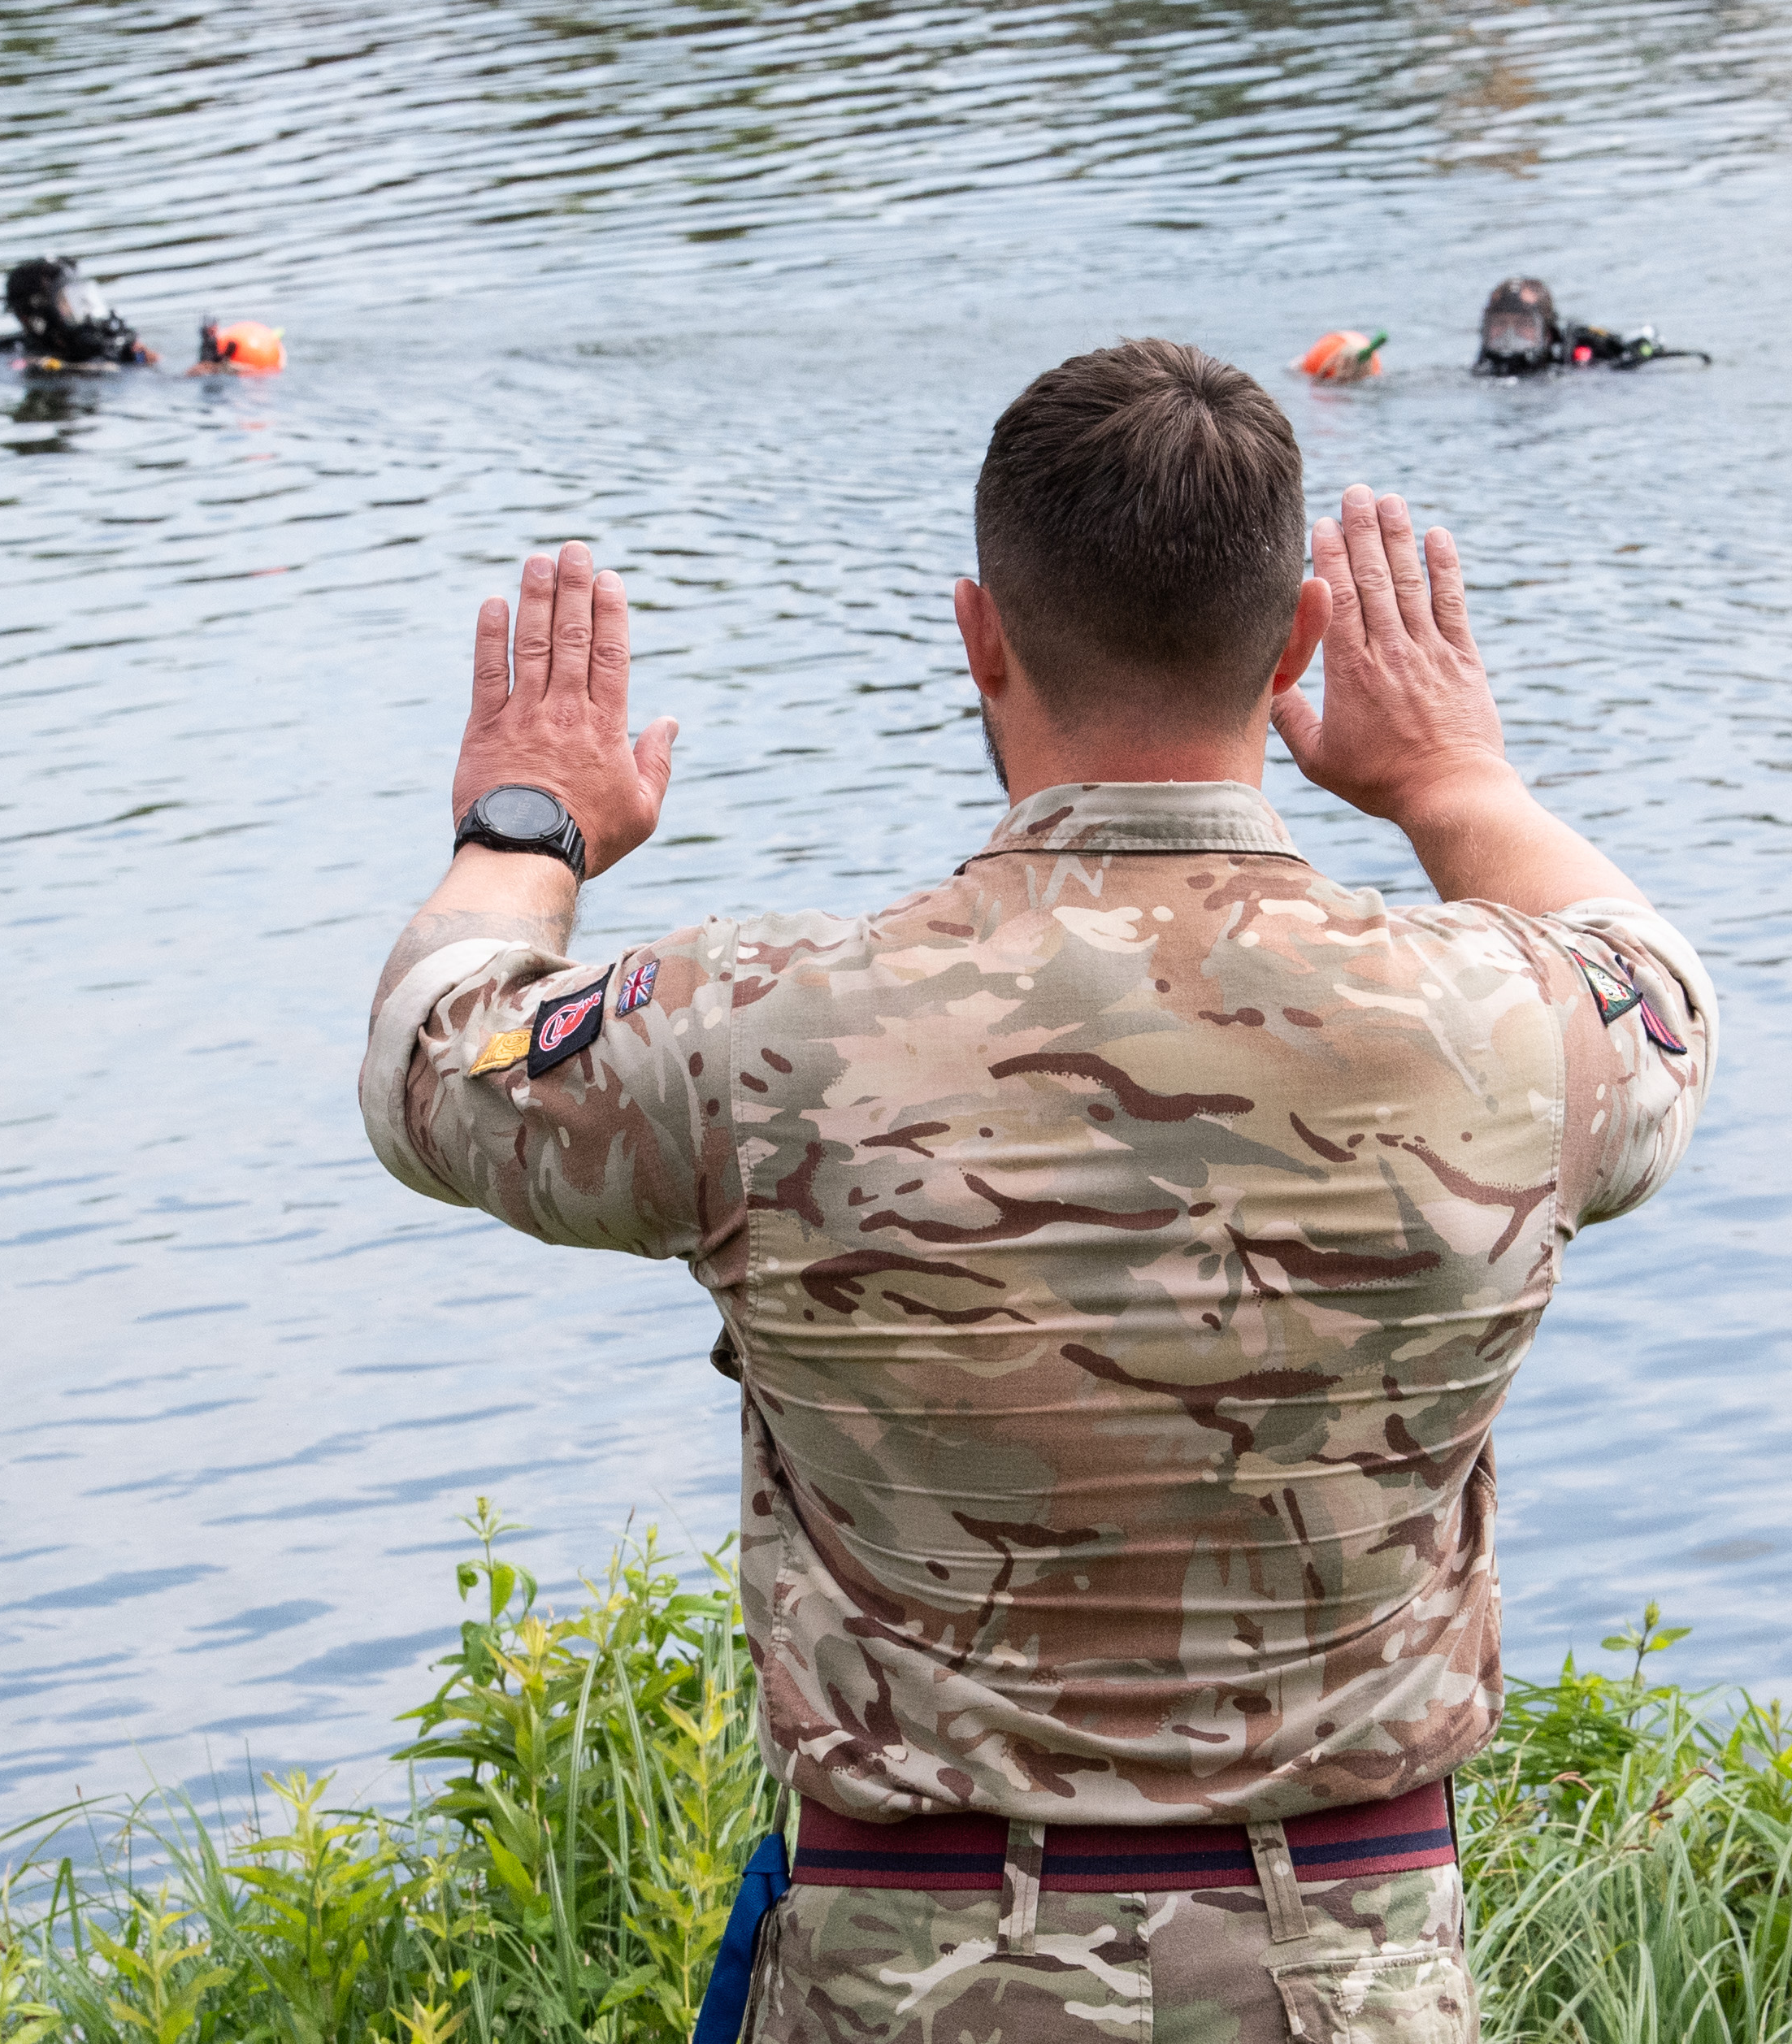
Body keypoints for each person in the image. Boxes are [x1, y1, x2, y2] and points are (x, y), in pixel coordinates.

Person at [359, 338, 1714, 2041]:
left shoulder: (760, 1027)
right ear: (1296, 640)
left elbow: (438, 1058)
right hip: (1346, 1979)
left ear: (976, 634)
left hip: (912, 1972)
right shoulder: (1510, 1030)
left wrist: (524, 828)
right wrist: (1454, 784)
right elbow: (1655, 985)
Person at [0, 256, 283, 375]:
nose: (84, 313)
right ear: (35, 318)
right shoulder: (33, 362)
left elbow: (152, 371)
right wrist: (200, 375)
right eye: (67, 304)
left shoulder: (103, 343)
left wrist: (147, 356)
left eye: (82, 300)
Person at [1474, 275, 1708, 375]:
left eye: (1523, 325)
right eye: (1499, 324)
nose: (1509, 335)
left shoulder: (1582, 355)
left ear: (1547, 333)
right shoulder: (1482, 369)